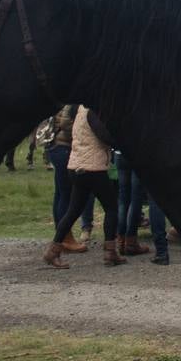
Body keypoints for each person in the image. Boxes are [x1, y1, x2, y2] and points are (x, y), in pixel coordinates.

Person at [43, 105, 125, 268]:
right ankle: (110, 252)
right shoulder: (92, 112)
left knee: (73, 211)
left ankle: (53, 251)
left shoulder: (80, 111)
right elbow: (105, 137)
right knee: (111, 208)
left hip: (77, 166)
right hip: (93, 168)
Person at [43, 105, 92, 253]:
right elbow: (65, 123)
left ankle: (61, 234)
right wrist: (81, 130)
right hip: (63, 147)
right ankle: (65, 237)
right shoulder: (70, 100)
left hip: (56, 147)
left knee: (60, 193)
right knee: (66, 194)